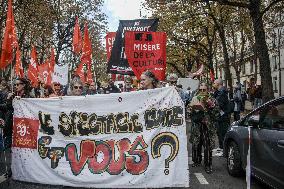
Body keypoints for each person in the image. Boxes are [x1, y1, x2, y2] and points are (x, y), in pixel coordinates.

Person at [189, 83, 219, 174]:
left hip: (207, 126)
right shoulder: (194, 98)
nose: (202, 91)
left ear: (207, 90)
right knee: (196, 143)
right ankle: (196, 160)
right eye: (200, 90)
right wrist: (192, 109)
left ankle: (208, 165)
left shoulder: (212, 99)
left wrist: (210, 107)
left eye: (204, 90)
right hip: (197, 125)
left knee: (207, 146)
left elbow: (217, 114)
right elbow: (189, 111)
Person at [212, 78, 230, 156]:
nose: (213, 84)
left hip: (223, 117)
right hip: (220, 117)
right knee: (219, 132)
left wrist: (212, 103)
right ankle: (220, 147)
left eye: (214, 83)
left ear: (218, 84)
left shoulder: (222, 93)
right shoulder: (219, 92)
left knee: (222, 133)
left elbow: (219, 105)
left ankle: (223, 150)